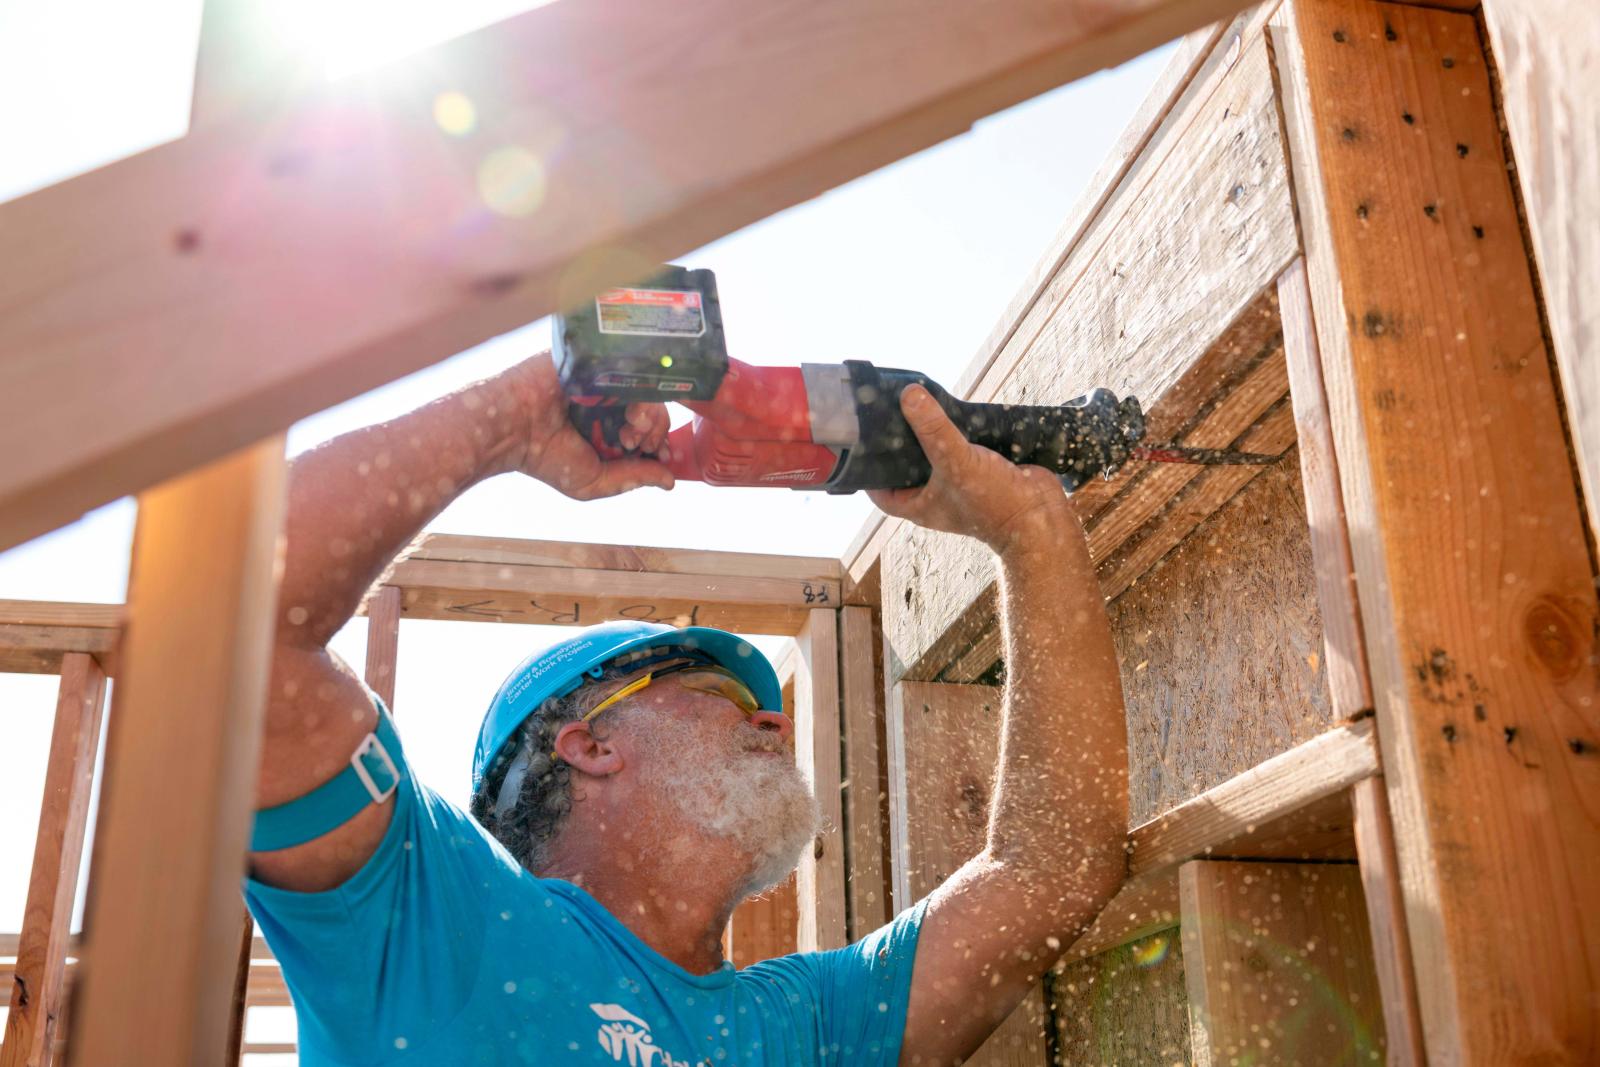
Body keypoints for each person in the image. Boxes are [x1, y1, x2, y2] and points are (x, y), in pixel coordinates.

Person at [246, 352, 1129, 1065]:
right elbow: (240, 629)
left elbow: (1048, 872)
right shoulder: (439, 927)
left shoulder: (805, 1026)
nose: (778, 722)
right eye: (717, 695)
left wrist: (1032, 533)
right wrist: (517, 416)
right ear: (589, 744)